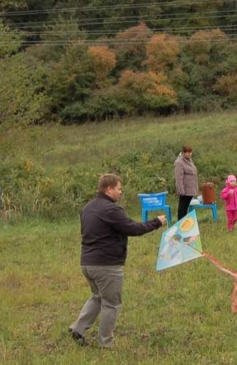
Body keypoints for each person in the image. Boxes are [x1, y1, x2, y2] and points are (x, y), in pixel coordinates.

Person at [68, 173, 166, 348]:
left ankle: (78, 329)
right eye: (119, 189)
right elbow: (133, 228)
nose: (121, 192)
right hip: (106, 266)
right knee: (111, 304)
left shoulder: (87, 208)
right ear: (109, 189)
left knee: (98, 296)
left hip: (87, 263)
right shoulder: (112, 210)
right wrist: (156, 222)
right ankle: (106, 343)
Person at [174, 144, 199, 222]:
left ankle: (184, 222)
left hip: (190, 188)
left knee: (186, 206)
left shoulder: (189, 160)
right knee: (182, 207)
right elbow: (179, 177)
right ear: (183, 152)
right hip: (185, 189)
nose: (189, 154)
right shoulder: (179, 162)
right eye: (187, 152)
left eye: (190, 152)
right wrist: (181, 190)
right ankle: (180, 222)